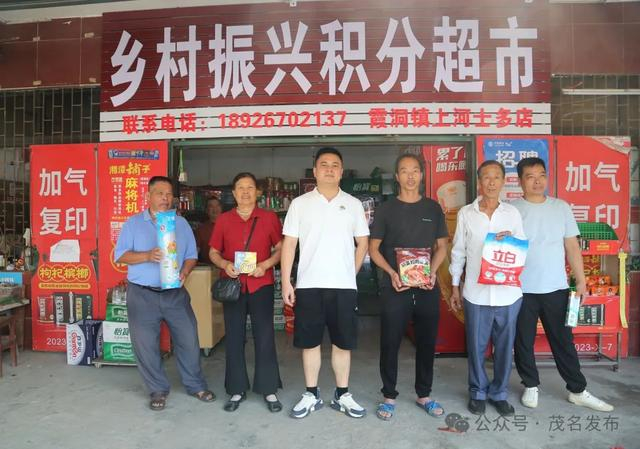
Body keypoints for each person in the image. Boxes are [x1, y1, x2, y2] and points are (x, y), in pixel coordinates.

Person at [512, 157, 614, 412]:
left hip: (555, 287)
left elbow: (572, 246)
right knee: (522, 341)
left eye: (541, 175)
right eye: (530, 176)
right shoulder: (511, 210)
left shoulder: (561, 207)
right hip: (520, 289)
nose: (537, 181)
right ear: (520, 181)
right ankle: (530, 385)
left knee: (563, 341)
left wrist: (581, 281)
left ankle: (577, 390)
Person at [281, 147, 369, 419]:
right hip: (309, 285)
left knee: (343, 343)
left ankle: (342, 394)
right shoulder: (300, 204)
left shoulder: (353, 204)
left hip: (343, 287)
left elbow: (363, 243)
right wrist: (286, 282)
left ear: (341, 172)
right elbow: (289, 244)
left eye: (335, 165)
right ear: (315, 171)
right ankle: (312, 393)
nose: (329, 169)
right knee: (310, 343)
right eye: (324, 164)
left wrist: (351, 272)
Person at [115, 175, 214, 411]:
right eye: (160, 193)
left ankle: (195, 385)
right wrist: (147, 256)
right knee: (146, 345)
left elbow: (191, 256)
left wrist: (185, 272)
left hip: (175, 293)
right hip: (142, 295)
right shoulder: (133, 224)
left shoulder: (180, 224)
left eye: (169, 194)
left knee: (189, 339)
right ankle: (157, 390)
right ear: (148, 196)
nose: (165, 198)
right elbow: (121, 256)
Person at [368, 153, 449, 421]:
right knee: (390, 341)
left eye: (415, 170)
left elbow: (442, 246)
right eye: (404, 170)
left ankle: (424, 394)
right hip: (395, 287)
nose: (410, 176)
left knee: (427, 341)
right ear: (397, 176)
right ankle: (388, 396)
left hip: (426, 287)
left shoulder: (433, 208)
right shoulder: (386, 210)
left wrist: (432, 271)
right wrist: (391, 272)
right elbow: (373, 248)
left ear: (422, 175)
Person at [449, 160, 525, 417]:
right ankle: (478, 392)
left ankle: (499, 393)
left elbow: (523, 247)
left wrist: (511, 240)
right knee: (476, 346)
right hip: (476, 292)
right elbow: (458, 251)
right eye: (486, 177)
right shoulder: (466, 213)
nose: (491, 182)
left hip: (508, 294)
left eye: (496, 177)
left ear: (503, 181)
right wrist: (455, 286)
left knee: (504, 347)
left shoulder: (512, 214)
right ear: (479, 181)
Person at [209, 172, 284, 413]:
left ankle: (269, 388)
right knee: (234, 337)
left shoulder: (268, 218)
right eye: (240, 188)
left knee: (264, 336)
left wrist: (265, 265)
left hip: (261, 284)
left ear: (257, 192)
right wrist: (224, 265)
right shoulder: (224, 220)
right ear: (233, 193)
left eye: (250, 187)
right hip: (233, 286)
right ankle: (236, 389)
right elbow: (213, 252)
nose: (245, 192)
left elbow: (281, 247)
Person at [196, 197, 222, 263]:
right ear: (206, 210)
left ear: (221, 208)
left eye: (217, 206)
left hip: (228, 266)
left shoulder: (229, 225)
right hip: (207, 266)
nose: (215, 209)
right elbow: (195, 251)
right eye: (211, 206)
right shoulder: (201, 229)